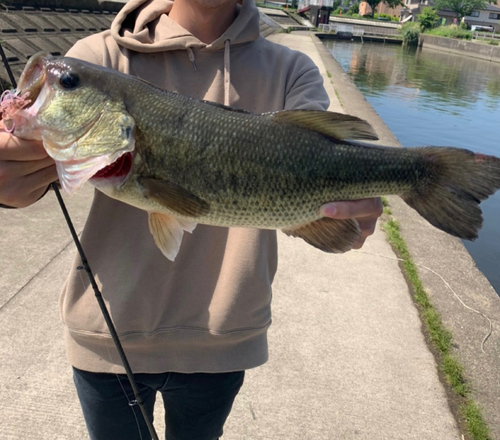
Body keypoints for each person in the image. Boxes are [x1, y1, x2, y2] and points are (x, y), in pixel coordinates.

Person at [0, 0, 382, 438]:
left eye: (66, 84)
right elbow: (34, 176)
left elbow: (315, 165)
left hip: (221, 344)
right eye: (66, 83)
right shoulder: (98, 58)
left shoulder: (291, 72)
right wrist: (11, 182)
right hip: (107, 338)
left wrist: (341, 210)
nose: (60, 82)